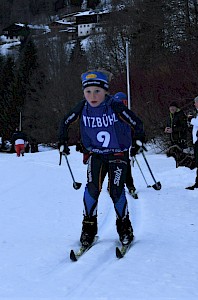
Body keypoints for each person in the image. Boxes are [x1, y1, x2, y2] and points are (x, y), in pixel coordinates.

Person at [58, 69, 145, 248]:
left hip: (118, 155)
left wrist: (138, 140)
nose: (93, 96)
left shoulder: (114, 105)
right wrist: (62, 141)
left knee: (116, 190)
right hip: (97, 154)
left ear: (105, 91)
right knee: (91, 190)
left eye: (97, 91)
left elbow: (136, 122)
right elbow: (65, 122)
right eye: (88, 92)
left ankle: (124, 227)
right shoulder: (83, 106)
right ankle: (88, 228)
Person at [113, 92, 137, 198]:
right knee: (112, 165)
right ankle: (113, 185)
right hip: (112, 145)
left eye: (124, 102)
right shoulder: (110, 114)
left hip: (124, 144)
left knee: (126, 164)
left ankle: (130, 185)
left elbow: (133, 128)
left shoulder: (127, 114)